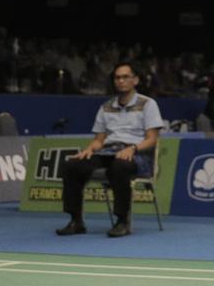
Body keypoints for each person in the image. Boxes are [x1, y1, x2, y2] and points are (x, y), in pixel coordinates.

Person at [55, 62, 164, 238]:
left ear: (135, 80)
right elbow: (99, 140)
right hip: (107, 152)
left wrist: (133, 149)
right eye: (117, 77)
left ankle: (122, 221)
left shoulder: (148, 104)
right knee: (72, 166)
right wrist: (89, 150)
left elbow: (152, 139)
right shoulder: (106, 107)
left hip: (137, 155)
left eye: (125, 77)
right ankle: (76, 221)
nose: (121, 81)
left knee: (119, 167)